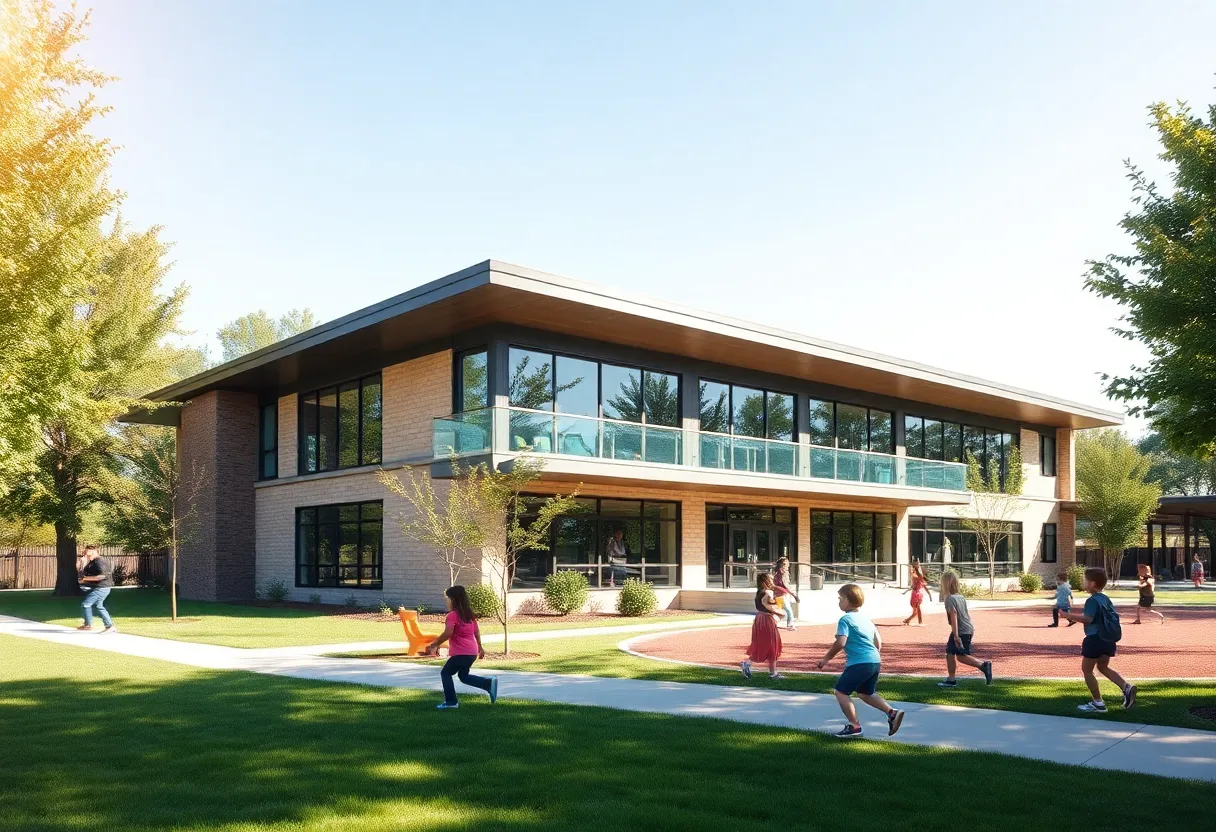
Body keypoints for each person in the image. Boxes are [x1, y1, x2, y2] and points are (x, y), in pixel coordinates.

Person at [815, 583, 905, 739]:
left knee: (841, 692)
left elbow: (841, 642)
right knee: (865, 693)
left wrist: (826, 658)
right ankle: (892, 713)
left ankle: (854, 727)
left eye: (840, 598)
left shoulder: (845, 619)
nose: (838, 601)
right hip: (874, 661)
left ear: (848, 601)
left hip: (859, 662)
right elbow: (878, 643)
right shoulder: (866, 619)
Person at [1061, 567, 1136, 713]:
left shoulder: (1092, 600)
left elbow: (1088, 619)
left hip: (1095, 639)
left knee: (1087, 670)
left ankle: (1098, 703)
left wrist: (1067, 616)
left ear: (1093, 584)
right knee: (1103, 667)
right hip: (1108, 639)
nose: (1084, 582)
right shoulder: (1105, 599)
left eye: (1086, 580)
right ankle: (1126, 687)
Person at [426, 585, 498, 709]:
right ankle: (487, 683)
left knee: (445, 673)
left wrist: (435, 644)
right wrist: (480, 647)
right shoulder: (469, 615)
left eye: (447, 598)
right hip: (471, 653)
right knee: (463, 676)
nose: (446, 601)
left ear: (453, 600)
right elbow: (476, 632)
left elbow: (449, 633)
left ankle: (451, 702)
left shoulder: (452, 615)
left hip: (461, 653)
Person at [937, 571, 993, 687]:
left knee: (957, 655)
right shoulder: (960, 597)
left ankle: (982, 665)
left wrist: (956, 635)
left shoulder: (950, 599)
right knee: (954, 654)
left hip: (961, 630)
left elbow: (954, 616)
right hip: (967, 628)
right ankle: (952, 678)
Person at [740, 573, 784, 680]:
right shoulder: (768, 592)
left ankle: (771, 672)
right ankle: (772, 673)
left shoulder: (759, 592)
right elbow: (766, 603)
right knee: (772, 645)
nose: (772, 579)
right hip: (767, 619)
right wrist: (780, 612)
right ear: (766, 580)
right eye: (770, 578)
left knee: (762, 644)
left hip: (759, 619)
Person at [76, 545, 116, 633]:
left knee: (86, 604)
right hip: (97, 588)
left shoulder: (99, 561)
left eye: (86, 552)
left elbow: (102, 576)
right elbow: (83, 574)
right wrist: (80, 565)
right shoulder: (92, 562)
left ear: (93, 551)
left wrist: (85, 579)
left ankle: (89, 625)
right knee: (99, 606)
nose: (84, 554)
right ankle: (109, 626)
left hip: (101, 588)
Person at [902, 559, 932, 626]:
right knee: (915, 610)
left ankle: (919, 621)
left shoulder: (919, 578)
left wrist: (930, 595)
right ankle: (908, 620)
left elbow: (923, 583)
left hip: (918, 594)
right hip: (915, 593)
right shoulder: (914, 576)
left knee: (917, 608)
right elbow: (913, 585)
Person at [773, 557, 800, 631]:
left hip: (778, 594)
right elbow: (786, 586)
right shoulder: (782, 573)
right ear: (782, 564)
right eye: (785, 563)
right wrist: (794, 595)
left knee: (779, 610)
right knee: (788, 610)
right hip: (780, 595)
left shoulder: (777, 572)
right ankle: (790, 624)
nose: (787, 565)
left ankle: (773, 623)